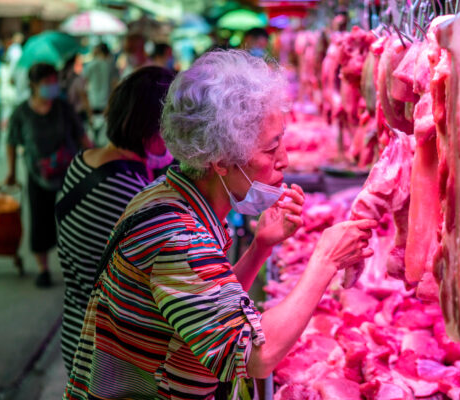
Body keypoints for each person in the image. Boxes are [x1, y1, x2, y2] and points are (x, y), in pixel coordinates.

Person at [63, 50, 376, 400]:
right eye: (271, 148)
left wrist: (260, 247)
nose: (285, 159)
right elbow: (253, 355)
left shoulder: (166, 193)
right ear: (221, 161)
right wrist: (325, 261)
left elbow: (207, 307)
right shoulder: (179, 238)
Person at [56, 66, 175, 372]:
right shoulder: (129, 193)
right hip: (107, 353)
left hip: (78, 329)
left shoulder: (83, 162)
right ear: (152, 128)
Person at [5, 63, 91, 288]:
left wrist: (96, 159)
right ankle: (43, 269)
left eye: (55, 81)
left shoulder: (63, 107)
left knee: (76, 221)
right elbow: (11, 142)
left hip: (70, 174)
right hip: (37, 175)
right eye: (47, 83)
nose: (53, 86)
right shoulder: (22, 112)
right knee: (40, 221)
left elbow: (81, 136)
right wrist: (11, 172)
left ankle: (80, 267)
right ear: (33, 85)